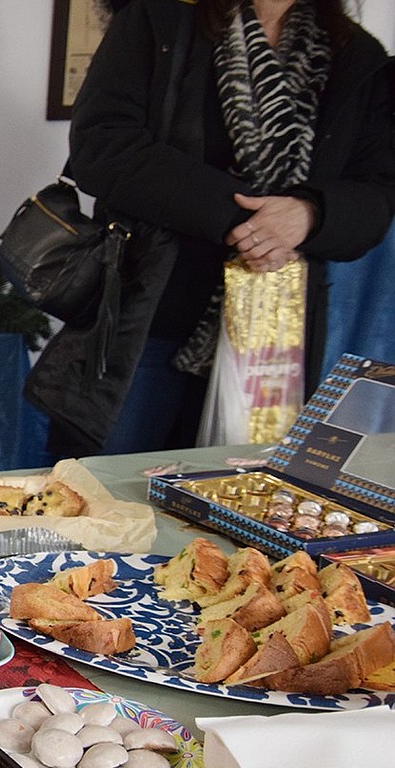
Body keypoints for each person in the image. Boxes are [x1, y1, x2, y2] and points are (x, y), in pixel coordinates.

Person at [25, 0, 395, 457]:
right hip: (144, 324)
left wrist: (309, 214)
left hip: (270, 339)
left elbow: (376, 198)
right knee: (100, 502)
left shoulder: (357, 57)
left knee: (229, 504)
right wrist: (250, 223)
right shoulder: (160, 21)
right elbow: (103, 149)